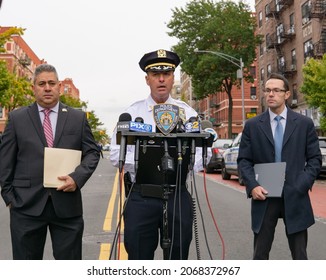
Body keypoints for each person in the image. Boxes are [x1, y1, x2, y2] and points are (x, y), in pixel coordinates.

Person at [110, 49, 206, 260]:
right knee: (138, 257)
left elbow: (199, 154)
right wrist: (145, 164)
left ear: (173, 78)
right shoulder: (133, 112)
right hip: (141, 194)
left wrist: (184, 163)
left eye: (167, 74)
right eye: (155, 75)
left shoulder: (188, 113)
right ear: (147, 79)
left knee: (178, 257)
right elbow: (116, 152)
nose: (161, 79)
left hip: (177, 194)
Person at [0, 64, 100, 260]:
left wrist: (77, 178)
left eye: (52, 83)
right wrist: (10, 198)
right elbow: (5, 161)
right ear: (34, 88)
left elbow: (92, 153)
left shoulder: (77, 118)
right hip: (25, 207)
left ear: (59, 86)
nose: (47, 88)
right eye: (42, 83)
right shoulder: (17, 118)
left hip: (67, 208)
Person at [237, 73, 322, 260]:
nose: (271, 94)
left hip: (295, 194)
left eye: (276, 90)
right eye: (267, 90)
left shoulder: (304, 124)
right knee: (260, 254)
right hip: (265, 195)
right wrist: (253, 186)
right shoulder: (252, 125)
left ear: (287, 94)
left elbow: (315, 159)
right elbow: (244, 160)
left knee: (300, 255)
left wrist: (302, 184)